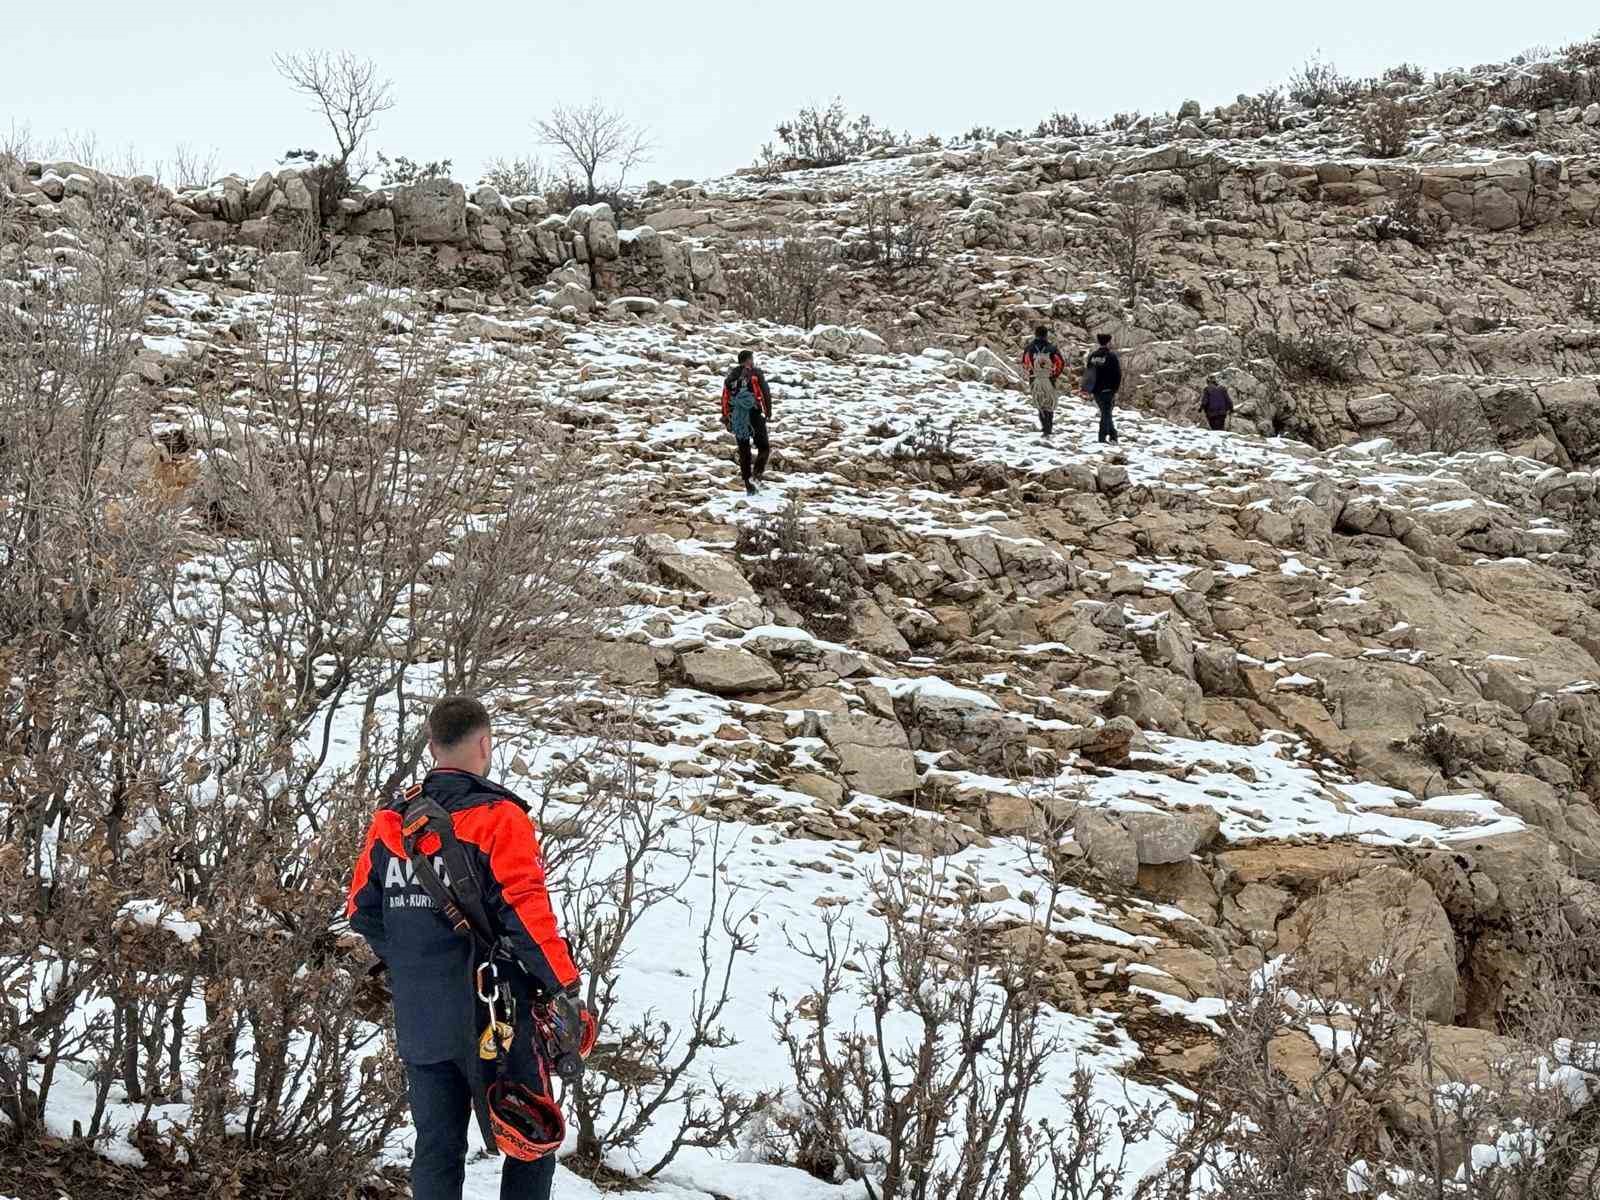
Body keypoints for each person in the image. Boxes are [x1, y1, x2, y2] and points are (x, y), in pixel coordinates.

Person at [347, 696, 587, 1200]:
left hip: (420, 1015)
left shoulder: (392, 822)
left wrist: (412, 962)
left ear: (432, 746)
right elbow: (528, 915)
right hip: (496, 1017)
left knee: (436, 1148)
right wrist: (565, 990)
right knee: (531, 1139)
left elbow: (361, 911)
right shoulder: (499, 818)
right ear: (485, 743)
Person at [720, 350, 773, 495]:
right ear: (749, 360)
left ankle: (749, 486)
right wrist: (768, 411)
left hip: (737, 417)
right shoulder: (755, 374)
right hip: (753, 414)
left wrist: (726, 417)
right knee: (764, 447)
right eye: (752, 359)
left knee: (744, 451)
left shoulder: (731, 377)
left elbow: (725, 397)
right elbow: (765, 392)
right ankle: (756, 475)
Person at [1021, 325, 1066, 438]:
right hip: (1049, 378)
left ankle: (1044, 426)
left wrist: (1031, 374)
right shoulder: (1052, 348)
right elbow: (1060, 363)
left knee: (1040, 402)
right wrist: (1054, 375)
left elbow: (1025, 363)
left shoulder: (1029, 348)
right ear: (1046, 335)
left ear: (1035, 334)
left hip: (1035, 378)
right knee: (1049, 402)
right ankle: (1048, 427)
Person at [1083, 332, 1123, 444]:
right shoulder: (1111, 356)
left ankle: (1113, 435)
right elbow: (1117, 374)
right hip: (1108, 389)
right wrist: (1115, 389)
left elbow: (1088, 373)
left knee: (1106, 412)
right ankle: (1102, 437)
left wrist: (1088, 388)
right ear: (1109, 342)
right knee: (1106, 413)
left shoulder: (1092, 356)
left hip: (1096, 390)